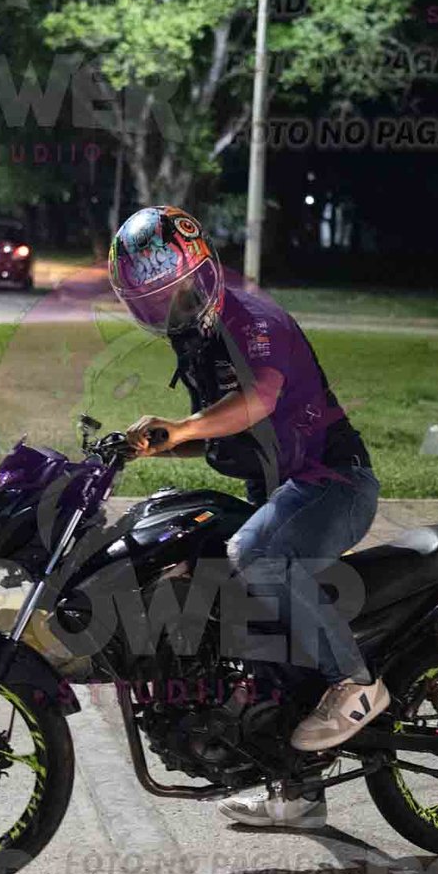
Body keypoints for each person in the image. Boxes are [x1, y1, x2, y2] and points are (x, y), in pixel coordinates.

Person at [110, 205, 384, 829]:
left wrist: (182, 427)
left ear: (203, 273)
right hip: (280, 494)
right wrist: (156, 443)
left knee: (254, 555)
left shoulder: (254, 320)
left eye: (176, 294)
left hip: (332, 483)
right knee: (229, 602)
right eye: (153, 303)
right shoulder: (199, 342)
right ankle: (297, 790)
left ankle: (355, 683)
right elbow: (223, 431)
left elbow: (258, 400)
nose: (170, 310)